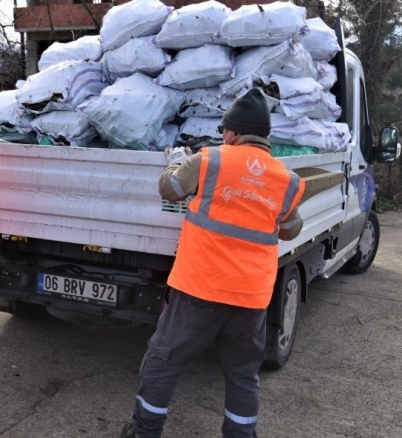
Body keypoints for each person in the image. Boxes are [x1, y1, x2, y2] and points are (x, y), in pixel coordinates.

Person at [121, 88, 305, 437]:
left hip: (199, 290)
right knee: (242, 375)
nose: (222, 135)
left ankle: (144, 432)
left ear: (234, 132)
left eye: (225, 130)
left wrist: (177, 160)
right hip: (250, 299)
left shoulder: (209, 160)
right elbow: (291, 229)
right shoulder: (286, 180)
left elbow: (169, 188)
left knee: (163, 363)